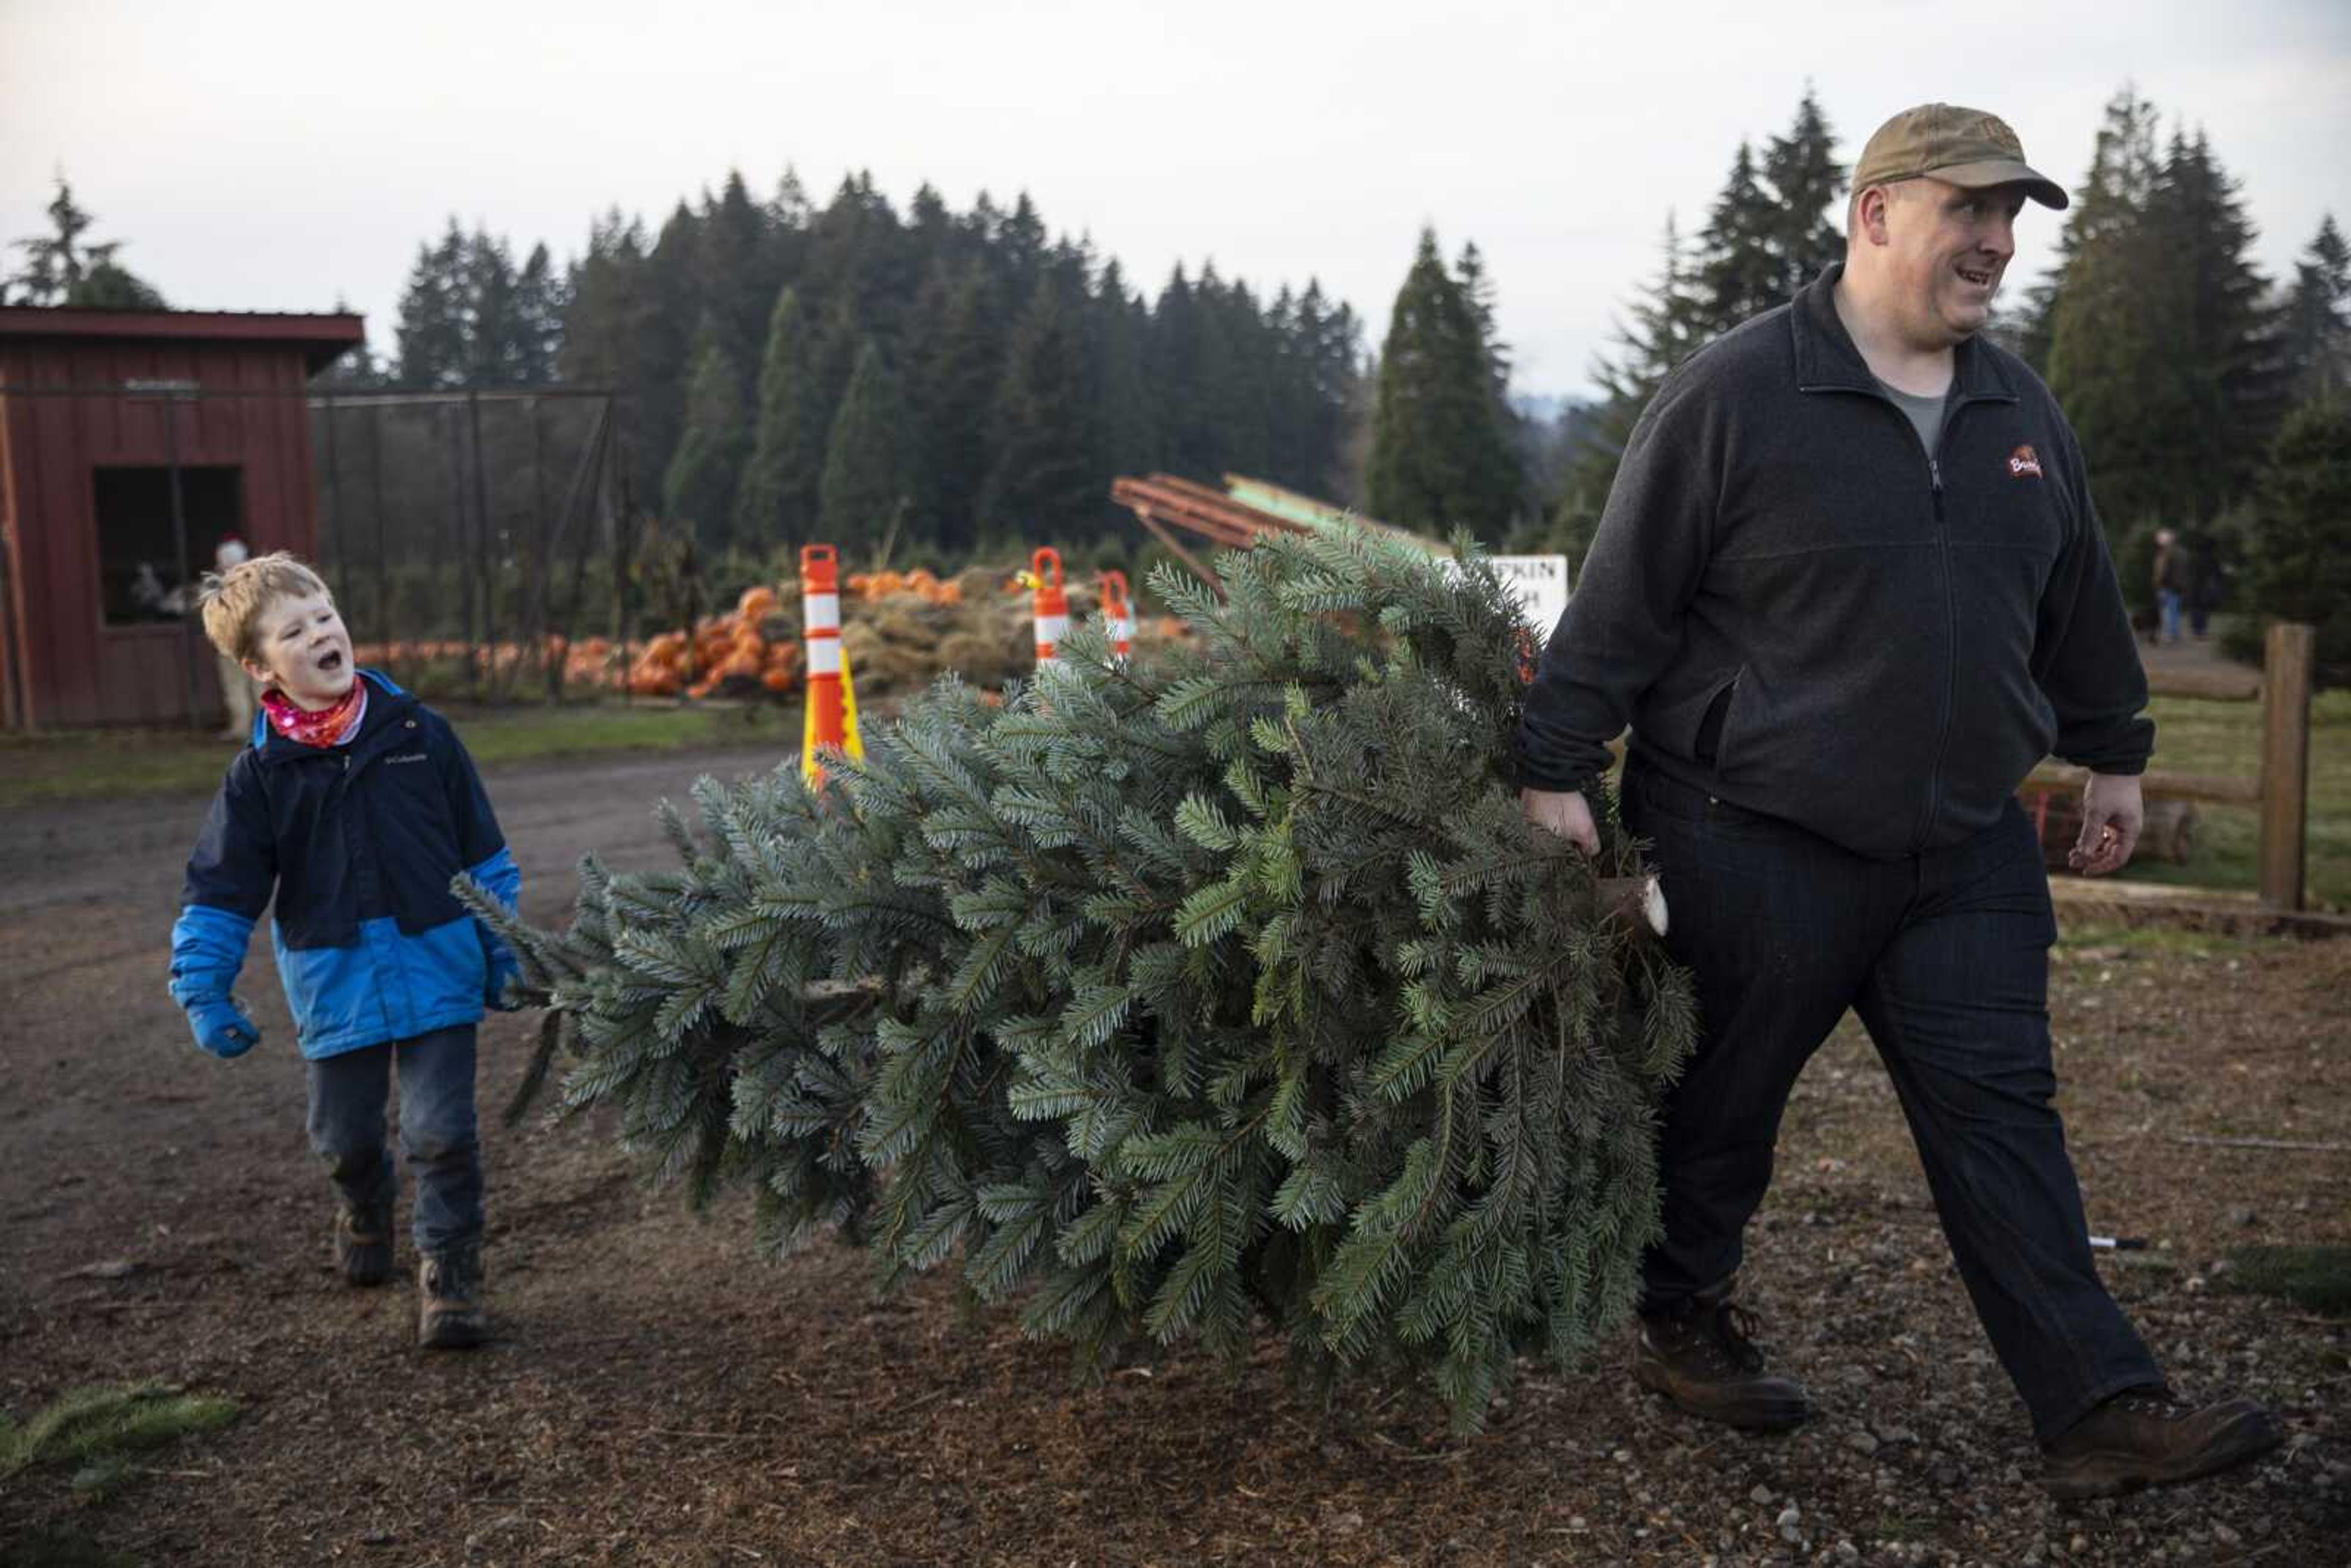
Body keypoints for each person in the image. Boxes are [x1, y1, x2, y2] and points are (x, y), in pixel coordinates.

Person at [1514, 103, 2279, 1499]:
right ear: (1873, 216)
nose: (1994, 241)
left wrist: (2111, 743)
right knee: (1720, 1103)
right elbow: (1622, 600)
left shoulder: (2015, 407)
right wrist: (1552, 763)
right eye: (1966, 210)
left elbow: (2075, 594)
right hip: (1749, 834)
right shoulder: (1737, 392)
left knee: (2003, 1113)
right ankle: (1680, 1306)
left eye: (2010, 216)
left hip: (1961, 844)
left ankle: (2094, 1400)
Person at [168, 552, 522, 1349]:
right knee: (346, 1137)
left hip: (440, 965)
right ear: (261, 666)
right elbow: (220, 892)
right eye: (295, 630)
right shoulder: (261, 777)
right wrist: (204, 988)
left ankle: (450, 1272)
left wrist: (505, 948)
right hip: (337, 984)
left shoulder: (421, 736)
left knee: (442, 1131)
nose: (323, 632)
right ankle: (365, 1202)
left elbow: (484, 853)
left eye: (324, 614)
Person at [211, 533, 256, 740]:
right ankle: (262, 725)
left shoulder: (219, 585)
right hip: (256, 641)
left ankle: (241, 727)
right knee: (260, 685)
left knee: (235, 686)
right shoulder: (257, 581)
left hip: (231, 642)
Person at [2153, 527, 2188, 644]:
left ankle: (2170, 635)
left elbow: (2162, 571)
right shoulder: (2182, 552)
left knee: (2167, 611)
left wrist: (2158, 584)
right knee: (2175, 610)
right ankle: (2175, 633)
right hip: (2179, 585)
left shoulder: (2165, 554)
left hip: (2167, 585)